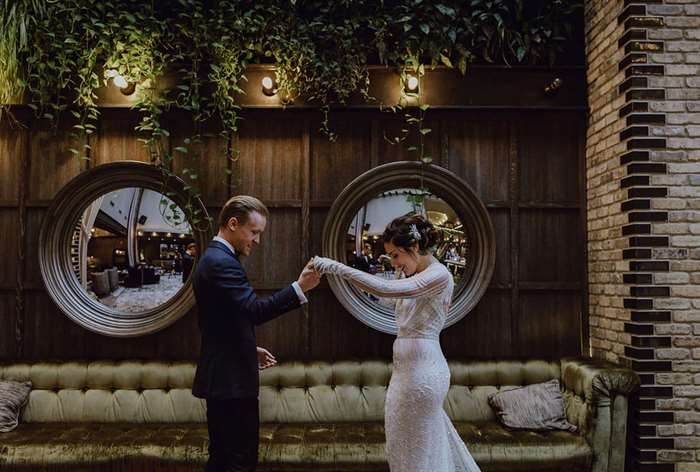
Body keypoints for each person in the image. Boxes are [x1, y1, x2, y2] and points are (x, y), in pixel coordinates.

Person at [312, 214, 481, 472]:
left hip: (423, 374)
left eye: (395, 255)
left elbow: (386, 291)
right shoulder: (410, 274)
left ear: (413, 248)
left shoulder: (439, 276)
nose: (394, 262)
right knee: (403, 448)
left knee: (415, 453)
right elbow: (389, 300)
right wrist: (394, 271)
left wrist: (335, 267)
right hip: (406, 373)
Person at [191, 195, 320, 472]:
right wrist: (299, 287)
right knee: (240, 460)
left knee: (223, 458)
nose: (257, 240)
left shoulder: (215, 259)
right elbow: (254, 311)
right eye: (254, 232)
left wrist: (248, 348)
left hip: (225, 377)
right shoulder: (221, 262)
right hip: (230, 383)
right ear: (233, 224)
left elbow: (221, 323)